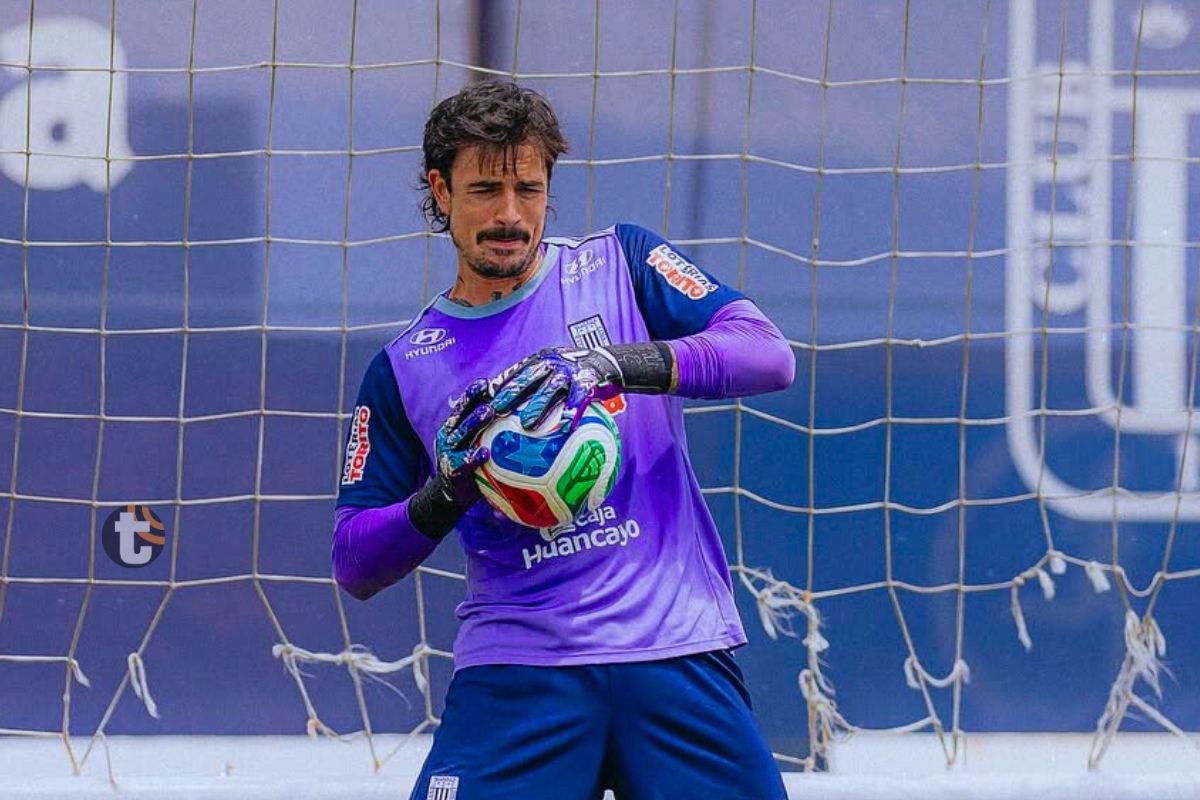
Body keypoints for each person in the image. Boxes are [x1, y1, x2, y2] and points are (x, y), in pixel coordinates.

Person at [332, 80, 794, 800]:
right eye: (485, 189)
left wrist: (612, 363)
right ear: (440, 190)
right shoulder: (403, 366)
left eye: (529, 187)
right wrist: (449, 490)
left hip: (675, 650)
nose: (510, 215)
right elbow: (355, 559)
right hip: (518, 669)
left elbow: (767, 354)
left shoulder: (622, 263)